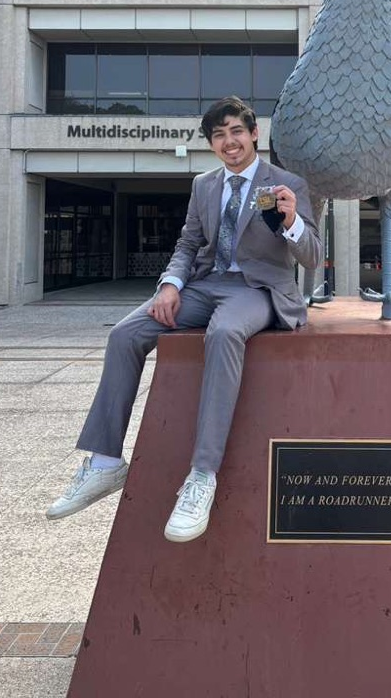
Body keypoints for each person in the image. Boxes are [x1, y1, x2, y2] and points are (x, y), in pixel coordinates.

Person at [46, 96, 322, 543]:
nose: (229, 142)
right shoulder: (204, 185)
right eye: (218, 135)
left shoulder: (288, 183)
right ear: (212, 144)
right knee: (125, 334)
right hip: (204, 284)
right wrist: (170, 285)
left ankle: (201, 476)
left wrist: (290, 220)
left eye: (236, 131)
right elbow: (189, 242)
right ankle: (104, 463)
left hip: (258, 289)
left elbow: (312, 256)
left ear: (254, 134)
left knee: (226, 332)